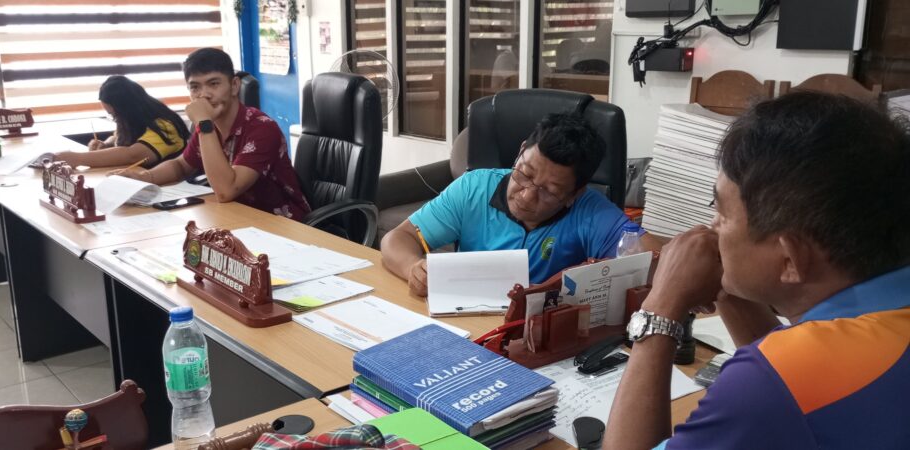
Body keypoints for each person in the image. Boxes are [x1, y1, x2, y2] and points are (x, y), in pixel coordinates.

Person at [604, 92, 910, 449]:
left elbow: (781, 383)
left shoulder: (768, 385)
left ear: (789, 260)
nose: (712, 227)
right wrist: (729, 287)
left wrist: (661, 307)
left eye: (722, 213)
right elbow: (795, 371)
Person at [381, 111, 659, 297]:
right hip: (465, 320)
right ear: (521, 151)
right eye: (524, 174)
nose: (526, 196)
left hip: (536, 338)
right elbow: (398, 238)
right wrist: (413, 268)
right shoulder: (474, 188)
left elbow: (658, 262)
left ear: (574, 194)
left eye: (549, 191)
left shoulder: (589, 211)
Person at [111, 48, 310, 221]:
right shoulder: (208, 126)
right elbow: (181, 166)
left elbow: (226, 190)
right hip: (236, 218)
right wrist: (145, 177)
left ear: (234, 86)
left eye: (214, 84)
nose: (204, 94)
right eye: (195, 87)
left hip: (283, 225)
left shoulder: (262, 128)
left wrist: (204, 123)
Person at [54, 76, 189, 169]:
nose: (115, 119)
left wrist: (78, 158)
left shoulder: (165, 125)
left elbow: (133, 155)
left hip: (168, 189)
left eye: (115, 115)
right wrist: (106, 144)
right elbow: (118, 137)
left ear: (128, 109)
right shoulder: (133, 120)